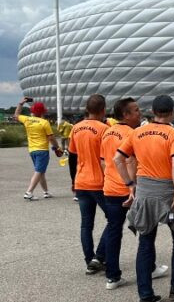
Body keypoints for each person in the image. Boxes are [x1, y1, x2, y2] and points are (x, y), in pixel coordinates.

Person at [114, 95, 174, 302]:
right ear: (172, 112)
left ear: (153, 111)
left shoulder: (137, 132)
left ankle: (146, 295)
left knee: (146, 240)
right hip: (168, 192)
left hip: (145, 192)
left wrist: (130, 185)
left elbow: (118, 158)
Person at [100, 98, 168, 290]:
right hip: (131, 191)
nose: (140, 113)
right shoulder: (133, 133)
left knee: (114, 231)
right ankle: (150, 268)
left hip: (110, 189)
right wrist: (132, 185)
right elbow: (130, 161)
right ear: (126, 115)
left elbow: (104, 161)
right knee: (146, 230)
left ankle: (112, 277)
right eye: (136, 110)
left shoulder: (107, 132)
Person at [68, 94, 110, 274]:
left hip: (81, 181)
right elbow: (106, 158)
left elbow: (72, 157)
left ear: (87, 109)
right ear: (103, 110)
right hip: (99, 183)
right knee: (114, 219)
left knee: (86, 224)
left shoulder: (75, 129)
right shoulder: (104, 129)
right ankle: (98, 257)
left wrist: (73, 180)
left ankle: (89, 259)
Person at [14, 98, 62, 200]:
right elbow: (51, 138)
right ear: (43, 112)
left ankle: (46, 192)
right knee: (39, 171)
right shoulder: (44, 122)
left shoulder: (27, 119)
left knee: (41, 172)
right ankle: (29, 192)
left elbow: (16, 115)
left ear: (33, 111)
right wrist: (57, 147)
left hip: (32, 150)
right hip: (42, 150)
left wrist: (21, 103)